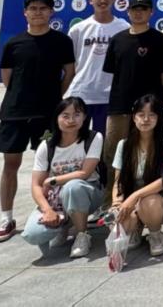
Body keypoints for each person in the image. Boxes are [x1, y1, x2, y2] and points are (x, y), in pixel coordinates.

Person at [0, 0, 76, 243]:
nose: (38, 13)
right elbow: (8, 78)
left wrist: (56, 98)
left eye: (43, 8)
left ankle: (52, 211)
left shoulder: (62, 41)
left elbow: (69, 73)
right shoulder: (13, 43)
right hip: (15, 113)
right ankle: (6, 217)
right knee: (11, 164)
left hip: (47, 113)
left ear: (51, 12)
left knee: (50, 165)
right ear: (25, 12)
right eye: (33, 8)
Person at [102, 0, 163, 207]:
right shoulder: (118, 40)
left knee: (152, 153)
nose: (139, 13)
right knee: (114, 154)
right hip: (120, 107)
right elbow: (113, 72)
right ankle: (112, 202)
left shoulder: (160, 40)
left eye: (143, 9)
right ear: (128, 12)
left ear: (151, 12)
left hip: (149, 110)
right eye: (135, 9)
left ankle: (151, 202)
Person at [20, 97, 103, 258]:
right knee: (32, 234)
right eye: (65, 116)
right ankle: (64, 225)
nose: (71, 120)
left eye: (77, 115)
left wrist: (53, 180)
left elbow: (84, 173)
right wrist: (47, 210)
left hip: (88, 193)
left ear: (85, 117)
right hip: (56, 200)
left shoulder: (93, 138)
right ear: (57, 118)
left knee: (73, 187)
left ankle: (82, 235)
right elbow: (36, 185)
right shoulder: (46, 146)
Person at [110, 95, 163, 257]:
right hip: (131, 197)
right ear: (134, 117)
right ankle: (135, 227)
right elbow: (118, 181)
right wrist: (117, 203)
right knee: (120, 217)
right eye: (141, 114)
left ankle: (155, 234)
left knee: (149, 202)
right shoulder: (124, 145)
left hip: (161, 197)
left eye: (152, 115)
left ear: (159, 117)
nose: (146, 119)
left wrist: (134, 197)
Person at [64, 0, 129, 134]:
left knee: (106, 142)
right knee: (77, 139)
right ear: (90, 0)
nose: (102, 0)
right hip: (81, 93)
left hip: (111, 96)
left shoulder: (124, 28)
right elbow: (70, 65)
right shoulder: (78, 29)